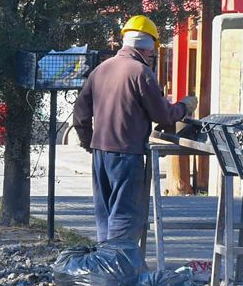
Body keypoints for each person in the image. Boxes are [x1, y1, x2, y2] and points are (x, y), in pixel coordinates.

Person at [72, 15, 196, 253]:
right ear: (148, 48)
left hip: (100, 153)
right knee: (124, 215)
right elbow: (163, 115)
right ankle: (119, 266)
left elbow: (80, 113)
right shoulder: (141, 73)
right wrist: (184, 107)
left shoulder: (101, 70)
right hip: (127, 154)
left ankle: (104, 263)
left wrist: (89, 142)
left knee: (105, 214)